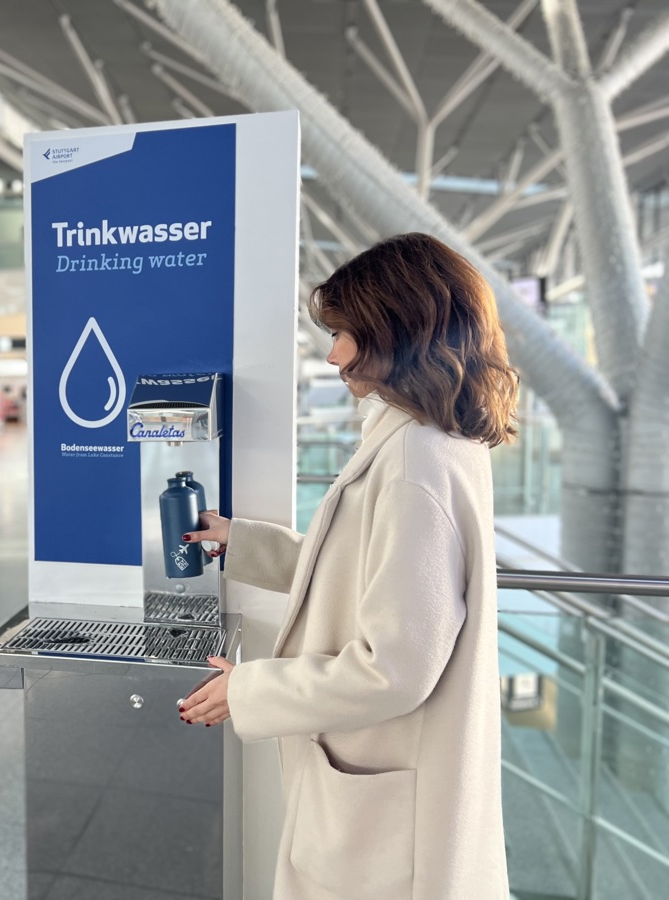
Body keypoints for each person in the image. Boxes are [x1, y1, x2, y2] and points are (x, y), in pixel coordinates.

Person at [181, 233, 517, 899]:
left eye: (347, 333)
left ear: (400, 330)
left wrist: (249, 691)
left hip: (391, 824)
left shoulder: (414, 462)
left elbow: (393, 668)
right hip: (388, 787)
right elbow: (366, 569)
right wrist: (241, 542)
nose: (333, 354)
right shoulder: (429, 440)